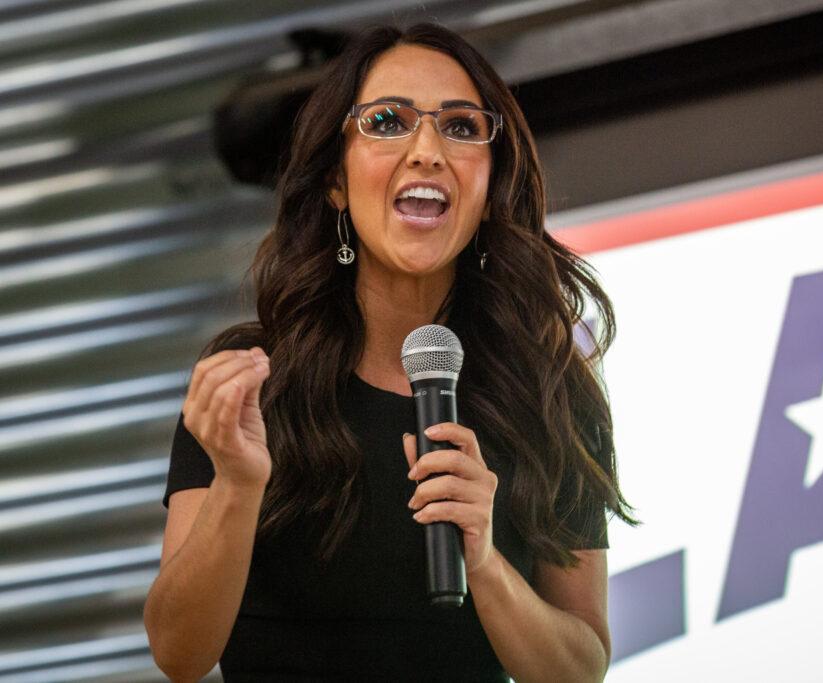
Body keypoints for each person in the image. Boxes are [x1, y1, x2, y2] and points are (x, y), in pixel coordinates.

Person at [143, 22, 635, 682]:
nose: (427, 149)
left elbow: (581, 668)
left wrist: (486, 560)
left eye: (461, 127)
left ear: (490, 188)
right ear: (337, 183)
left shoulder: (548, 392)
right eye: (387, 121)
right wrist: (237, 482)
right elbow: (178, 652)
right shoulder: (253, 385)